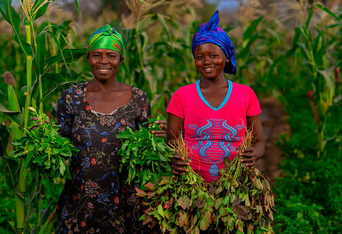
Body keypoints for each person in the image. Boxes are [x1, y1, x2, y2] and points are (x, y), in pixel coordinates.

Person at [55, 24, 166, 233]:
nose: (104, 61)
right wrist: (41, 133)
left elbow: (145, 149)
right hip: (80, 203)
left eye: (111, 55)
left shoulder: (138, 99)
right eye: (97, 54)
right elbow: (59, 142)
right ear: (88, 57)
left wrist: (161, 136)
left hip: (125, 205)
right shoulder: (71, 97)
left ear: (120, 60)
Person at [167, 11, 265, 183]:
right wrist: (173, 160)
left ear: (226, 57)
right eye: (200, 57)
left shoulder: (245, 94)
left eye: (213, 55)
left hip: (235, 185)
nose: (207, 61)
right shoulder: (181, 95)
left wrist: (253, 154)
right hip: (191, 187)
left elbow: (260, 143)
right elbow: (172, 144)